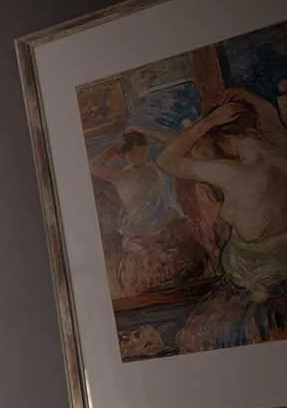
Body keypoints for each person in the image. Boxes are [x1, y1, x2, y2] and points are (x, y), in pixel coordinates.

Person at [155, 86, 287, 349]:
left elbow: (166, 161)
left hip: (262, 262)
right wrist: (243, 94)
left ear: (227, 138)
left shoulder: (232, 171)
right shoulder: (279, 141)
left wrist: (209, 122)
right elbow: (269, 111)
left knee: (224, 220)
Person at [89, 128, 207, 298]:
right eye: (135, 154)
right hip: (140, 230)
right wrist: (114, 148)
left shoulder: (156, 167)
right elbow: (92, 166)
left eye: (144, 153)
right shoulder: (121, 176)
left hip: (165, 225)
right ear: (125, 156)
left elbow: (174, 142)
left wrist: (143, 130)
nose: (141, 158)